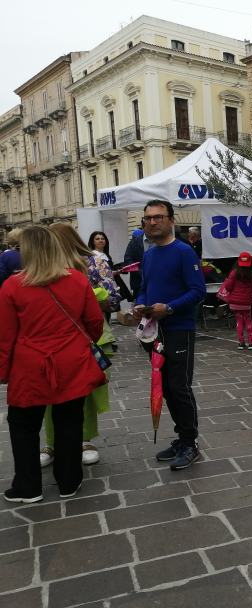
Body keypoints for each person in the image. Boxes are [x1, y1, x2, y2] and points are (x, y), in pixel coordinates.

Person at [0, 226, 105, 503]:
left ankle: (28, 486)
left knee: (23, 425)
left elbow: (5, 336)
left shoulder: (12, 286)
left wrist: (3, 371)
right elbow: (94, 323)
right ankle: (69, 481)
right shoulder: (78, 280)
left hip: (29, 364)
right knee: (69, 420)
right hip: (71, 360)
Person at [134, 199, 206, 470]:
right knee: (164, 388)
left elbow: (197, 291)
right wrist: (141, 303)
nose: (152, 222)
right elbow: (143, 287)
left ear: (171, 220)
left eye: (158, 217)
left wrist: (171, 308)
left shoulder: (184, 252)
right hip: (154, 331)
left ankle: (190, 443)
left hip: (179, 330)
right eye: (148, 218)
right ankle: (182, 437)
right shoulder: (149, 255)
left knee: (179, 387)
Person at [46, 223, 121, 467]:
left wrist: (86, 292)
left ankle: (85, 439)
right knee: (49, 390)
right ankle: (51, 442)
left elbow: (111, 297)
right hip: (49, 336)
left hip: (88, 333)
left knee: (85, 391)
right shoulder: (42, 263)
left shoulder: (94, 260)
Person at [222, 251, 252, 350]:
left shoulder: (234, 272)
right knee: (248, 321)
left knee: (239, 321)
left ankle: (241, 343)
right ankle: (251, 343)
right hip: (246, 302)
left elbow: (228, 287)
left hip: (235, 302)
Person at [124, 219, 153, 298]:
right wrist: (140, 272)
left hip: (158, 283)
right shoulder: (134, 242)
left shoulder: (160, 241)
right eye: (149, 227)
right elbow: (127, 260)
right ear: (143, 228)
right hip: (139, 283)